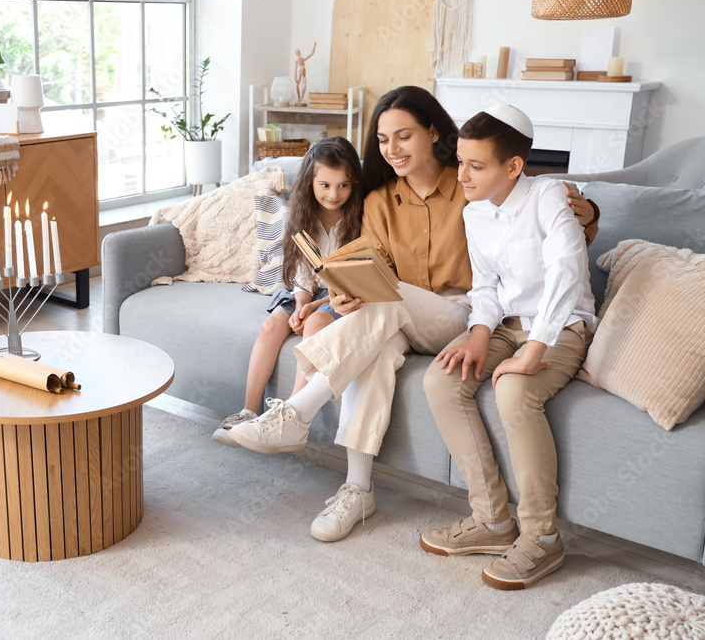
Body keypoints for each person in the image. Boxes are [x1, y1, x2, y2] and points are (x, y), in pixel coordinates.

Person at [226, 86, 599, 544]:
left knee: (391, 302)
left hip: (462, 315)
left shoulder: (472, 186)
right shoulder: (379, 201)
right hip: (396, 314)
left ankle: (297, 413)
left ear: (433, 132)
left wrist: (588, 211)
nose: (392, 149)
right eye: (383, 140)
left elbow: (541, 233)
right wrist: (344, 297)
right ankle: (357, 488)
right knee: (376, 342)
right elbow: (375, 274)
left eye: (403, 135)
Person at [419, 105, 595, 590]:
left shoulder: (549, 197)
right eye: (460, 163)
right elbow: (488, 287)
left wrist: (535, 349)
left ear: (513, 166)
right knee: (441, 379)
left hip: (560, 327)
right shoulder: (475, 212)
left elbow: (565, 271)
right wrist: (479, 334)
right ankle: (494, 522)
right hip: (504, 326)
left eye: (476, 166)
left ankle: (543, 537)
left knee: (516, 392)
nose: (463, 175)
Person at [213, 136, 363, 446]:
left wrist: (311, 311)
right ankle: (247, 411)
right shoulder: (302, 217)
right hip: (305, 290)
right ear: (310, 182)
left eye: (343, 186)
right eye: (325, 185)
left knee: (315, 323)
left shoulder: (358, 220)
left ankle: (289, 415)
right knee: (272, 325)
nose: (334, 194)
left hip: (338, 295)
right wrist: (300, 304)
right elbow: (303, 272)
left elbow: (346, 276)